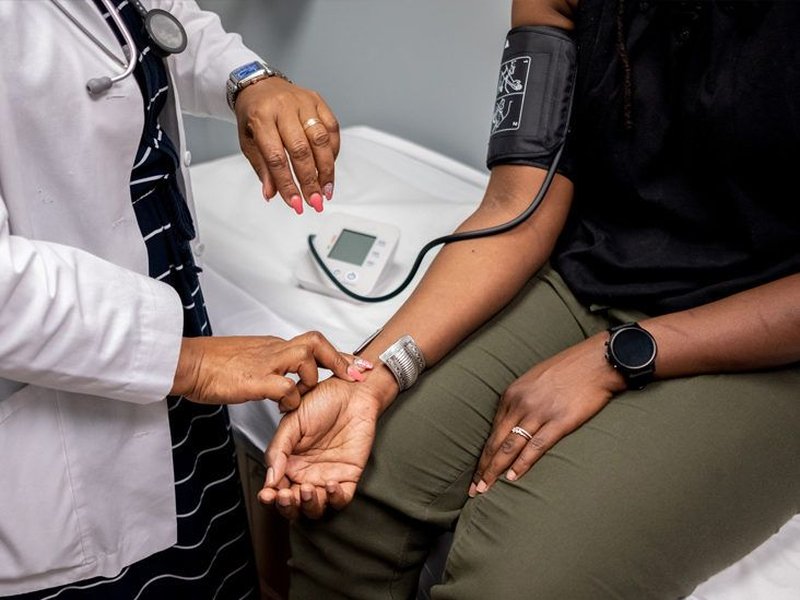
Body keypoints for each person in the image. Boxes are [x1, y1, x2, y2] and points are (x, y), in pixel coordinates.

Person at [259, 0, 800, 598]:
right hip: (592, 273)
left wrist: (613, 359)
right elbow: (515, 207)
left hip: (773, 334)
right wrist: (375, 378)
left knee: (522, 582)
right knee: (346, 491)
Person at [0, 1, 370, 598]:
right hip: (64, 403)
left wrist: (249, 81)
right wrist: (190, 362)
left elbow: (152, 19)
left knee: (211, 563)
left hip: (169, 335)